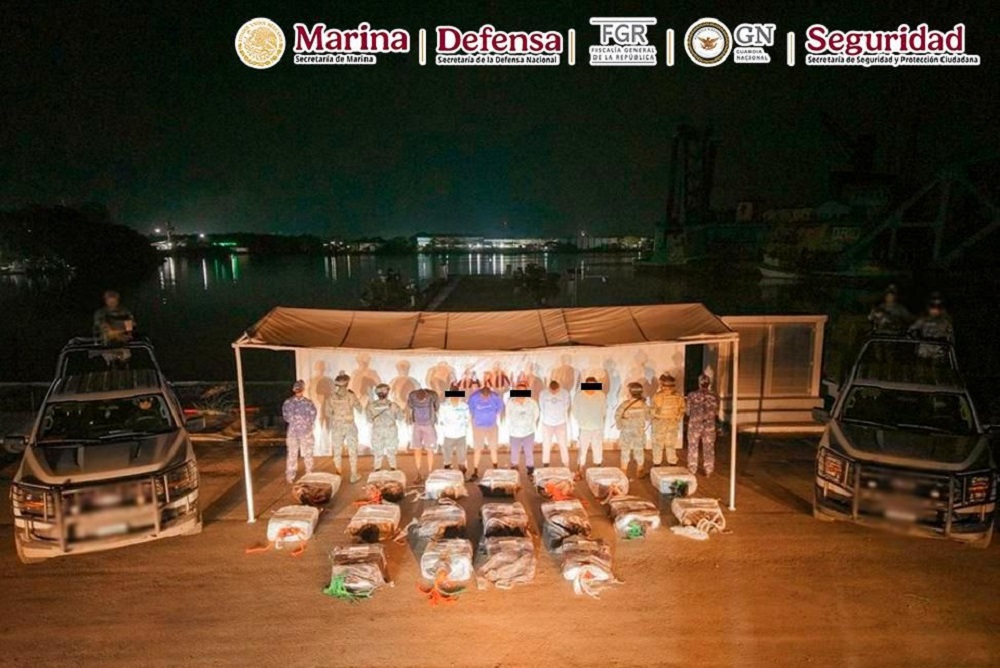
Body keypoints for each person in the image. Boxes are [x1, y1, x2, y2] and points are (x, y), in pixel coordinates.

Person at [325, 373, 362, 483]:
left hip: (337, 425)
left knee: (337, 451)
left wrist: (337, 417)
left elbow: (327, 413)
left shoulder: (331, 397)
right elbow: (360, 409)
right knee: (352, 450)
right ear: (347, 383)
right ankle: (353, 475)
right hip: (349, 425)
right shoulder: (351, 395)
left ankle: (338, 474)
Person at [282, 380, 318, 484]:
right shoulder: (308, 403)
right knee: (307, 453)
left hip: (293, 431)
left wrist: (295, 422)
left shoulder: (288, 402)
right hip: (305, 431)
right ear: (303, 389)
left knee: (292, 454)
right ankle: (309, 473)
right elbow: (313, 416)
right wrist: (305, 423)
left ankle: (290, 476)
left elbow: (286, 417)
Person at [467, 385, 505, 481]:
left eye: (487, 396)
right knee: (478, 449)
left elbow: (500, 408)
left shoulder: (495, 397)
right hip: (478, 427)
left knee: (493, 448)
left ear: (490, 394)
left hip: (492, 426)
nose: (485, 398)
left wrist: (494, 416)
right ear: (480, 394)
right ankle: (475, 471)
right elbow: (471, 411)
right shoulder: (473, 397)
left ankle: (495, 468)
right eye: (483, 397)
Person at [686, 373, 720, 477]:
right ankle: (708, 470)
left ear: (699, 383)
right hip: (709, 425)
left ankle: (692, 469)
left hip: (694, 425)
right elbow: (716, 411)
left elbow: (687, 411)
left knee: (693, 446)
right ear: (709, 383)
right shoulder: (715, 396)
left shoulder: (691, 395)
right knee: (709, 447)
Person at [572, 377, 606, 481]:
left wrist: (600, 420)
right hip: (584, 427)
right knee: (583, 449)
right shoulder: (579, 396)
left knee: (598, 447)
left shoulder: (601, 395)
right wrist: (581, 421)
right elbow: (575, 410)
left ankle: (598, 469)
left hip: (598, 426)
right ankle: (580, 469)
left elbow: (604, 410)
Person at [615, 382, 650, 478]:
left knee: (625, 452)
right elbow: (648, 417)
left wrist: (620, 426)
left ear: (630, 392)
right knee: (639, 452)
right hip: (639, 432)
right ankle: (639, 472)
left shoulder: (624, 405)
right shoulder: (644, 405)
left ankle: (624, 473)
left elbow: (617, 416)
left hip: (626, 432)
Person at [650, 374, 686, 466]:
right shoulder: (678, 396)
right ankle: (672, 462)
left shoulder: (657, 396)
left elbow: (652, 411)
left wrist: (655, 418)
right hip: (672, 423)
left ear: (662, 385)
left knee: (658, 444)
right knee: (671, 444)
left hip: (659, 423)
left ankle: (657, 463)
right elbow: (682, 410)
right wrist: (676, 419)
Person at [365, 384, 402, 471]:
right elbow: (400, 417)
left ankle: (377, 468)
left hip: (377, 430)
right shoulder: (393, 405)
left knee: (377, 451)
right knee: (391, 450)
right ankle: (393, 467)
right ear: (387, 393)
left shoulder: (371, 406)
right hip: (390, 430)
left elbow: (369, 420)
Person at [406, 387, 440, 483]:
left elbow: (436, 407)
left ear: (426, 396)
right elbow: (410, 407)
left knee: (430, 450)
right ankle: (418, 473)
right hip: (417, 425)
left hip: (428, 425)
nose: (421, 402)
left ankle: (430, 472)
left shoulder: (433, 395)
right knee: (417, 449)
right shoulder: (412, 395)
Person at [908, 293, 954, 360]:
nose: (935, 309)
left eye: (939, 306)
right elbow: (910, 331)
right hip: (924, 353)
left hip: (939, 354)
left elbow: (951, 339)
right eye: (933, 306)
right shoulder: (923, 320)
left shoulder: (946, 322)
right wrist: (915, 334)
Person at [506, 382, 539, 474]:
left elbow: (536, 414)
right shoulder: (510, 403)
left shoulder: (532, 402)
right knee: (514, 452)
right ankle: (514, 469)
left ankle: (530, 469)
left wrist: (529, 423)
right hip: (514, 433)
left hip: (529, 432)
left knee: (529, 452)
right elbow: (508, 416)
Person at [438, 384, 471, 476]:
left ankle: (462, 475)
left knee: (462, 459)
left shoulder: (464, 406)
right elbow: (441, 420)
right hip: (448, 435)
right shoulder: (444, 406)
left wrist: (464, 427)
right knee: (447, 460)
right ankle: (448, 476)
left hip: (461, 435)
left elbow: (468, 419)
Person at [539, 380, 571, 469]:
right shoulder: (543, 393)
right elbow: (542, 407)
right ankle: (545, 464)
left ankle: (566, 464)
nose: (553, 393)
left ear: (559, 388)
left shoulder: (565, 393)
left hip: (560, 423)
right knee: (546, 445)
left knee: (563, 444)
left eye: (555, 391)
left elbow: (566, 406)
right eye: (551, 391)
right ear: (549, 388)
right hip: (547, 423)